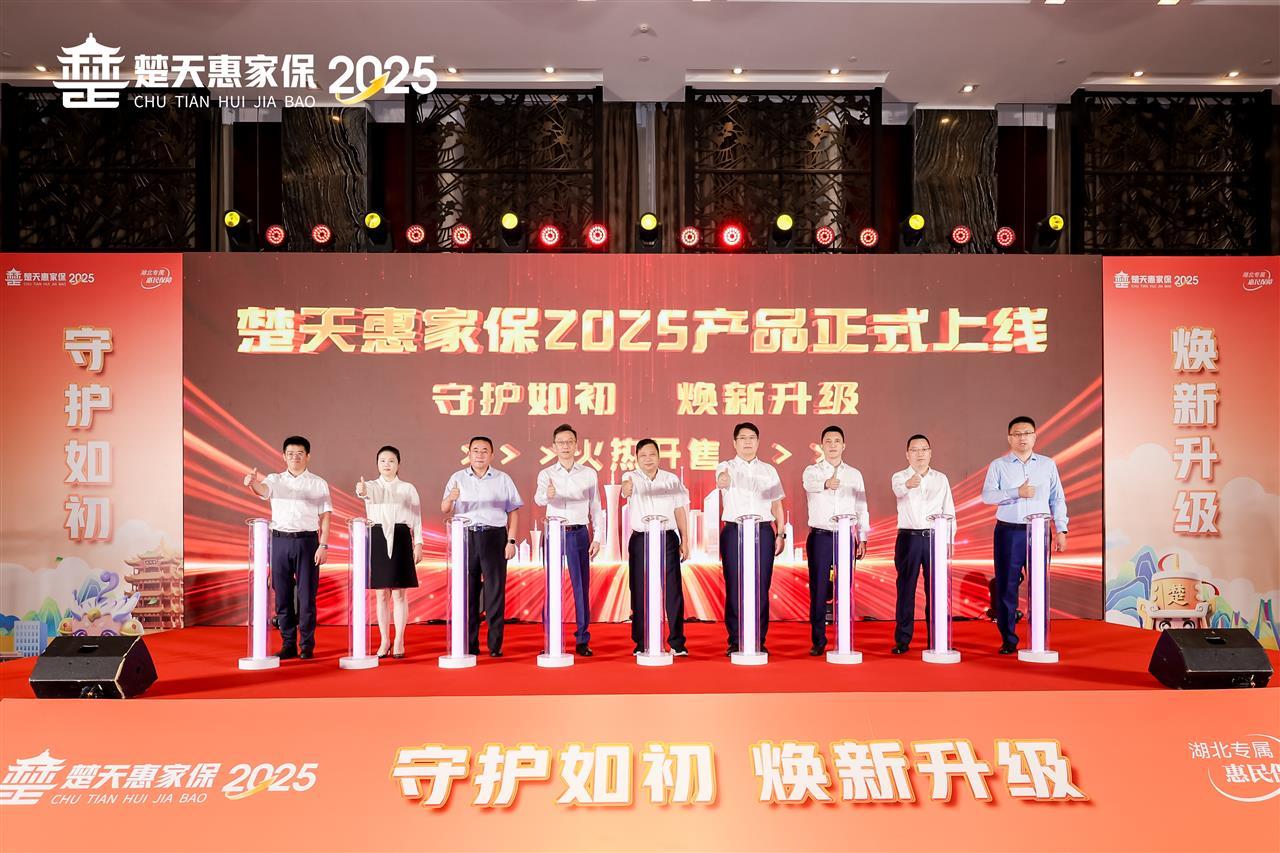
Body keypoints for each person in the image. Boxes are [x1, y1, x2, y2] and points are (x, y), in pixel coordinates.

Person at [980, 416, 1069, 654]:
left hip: (1039, 531)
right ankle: (1009, 639)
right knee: (1007, 586)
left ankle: (1038, 638)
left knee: (1039, 585)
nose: (1023, 438)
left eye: (1027, 433)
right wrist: (1016, 492)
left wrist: (1061, 529)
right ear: (1009, 438)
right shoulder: (998, 465)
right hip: (1009, 531)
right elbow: (987, 495)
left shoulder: (1047, 465)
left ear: (1035, 437)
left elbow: (1057, 498)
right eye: (1017, 434)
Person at [242, 435, 331, 660]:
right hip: (280, 541)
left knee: (306, 596)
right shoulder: (275, 479)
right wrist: (252, 483)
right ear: (283, 456)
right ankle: (288, 643)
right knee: (281, 595)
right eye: (290, 454)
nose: (295, 458)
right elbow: (263, 490)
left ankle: (307, 645)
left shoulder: (318, 483)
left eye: (299, 454)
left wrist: (323, 545)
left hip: (307, 542)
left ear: (308, 456)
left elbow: (325, 517)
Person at [442, 436, 522, 658]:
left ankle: (495, 645)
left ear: (492, 455)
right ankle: (470, 644)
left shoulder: (503, 479)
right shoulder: (457, 478)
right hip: (466, 536)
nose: (479, 455)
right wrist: (451, 498)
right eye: (475, 450)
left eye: (484, 451)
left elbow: (513, 511)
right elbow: (445, 508)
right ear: (468, 454)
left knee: (495, 591)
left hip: (494, 536)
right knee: (467, 592)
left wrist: (511, 541)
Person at [534, 424, 605, 657]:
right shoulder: (546, 474)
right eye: (561, 442)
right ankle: (551, 638)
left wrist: (598, 537)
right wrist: (547, 495)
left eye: (569, 442)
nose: (565, 446)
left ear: (576, 446)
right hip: (554, 532)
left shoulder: (588, 473)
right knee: (552, 586)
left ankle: (582, 639)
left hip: (578, 532)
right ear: (554, 447)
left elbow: (596, 506)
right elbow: (538, 499)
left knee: (580, 587)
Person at [716, 422, 786, 656]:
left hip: (762, 531)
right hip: (734, 531)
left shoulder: (769, 471)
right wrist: (724, 480)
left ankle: (758, 638)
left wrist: (781, 533)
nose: (747, 442)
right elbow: (722, 480)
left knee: (761, 586)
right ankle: (736, 640)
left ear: (758, 441)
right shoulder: (725, 466)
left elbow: (776, 504)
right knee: (735, 585)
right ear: (734, 442)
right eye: (742, 438)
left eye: (752, 437)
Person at [801, 425, 869, 656]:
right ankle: (818, 640)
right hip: (821, 536)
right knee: (819, 589)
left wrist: (862, 536)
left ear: (844, 445)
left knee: (844, 589)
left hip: (846, 536)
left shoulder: (854, 474)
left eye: (836, 441)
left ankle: (844, 637)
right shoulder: (812, 471)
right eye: (828, 441)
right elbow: (808, 485)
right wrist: (826, 484)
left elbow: (861, 507)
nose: (832, 445)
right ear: (822, 446)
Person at [622, 438, 691, 656]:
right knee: (638, 590)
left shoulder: (671, 480)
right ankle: (641, 642)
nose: (648, 459)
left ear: (659, 456)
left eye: (652, 454)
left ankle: (677, 643)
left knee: (673, 590)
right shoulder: (630, 477)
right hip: (641, 539)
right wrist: (626, 489)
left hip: (667, 538)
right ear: (636, 458)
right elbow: (625, 490)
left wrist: (685, 539)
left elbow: (679, 510)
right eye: (643, 455)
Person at [889, 434, 957, 654]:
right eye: (914, 450)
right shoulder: (900, 477)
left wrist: (949, 539)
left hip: (934, 537)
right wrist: (909, 484)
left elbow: (949, 509)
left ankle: (937, 639)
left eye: (924, 449)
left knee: (936, 590)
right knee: (905, 589)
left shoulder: (941, 479)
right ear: (907, 454)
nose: (920, 454)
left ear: (930, 453)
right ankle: (902, 640)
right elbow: (898, 490)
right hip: (908, 538)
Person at [356, 446, 423, 659]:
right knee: (381, 594)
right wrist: (361, 489)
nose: (387, 464)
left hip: (402, 536)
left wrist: (418, 543)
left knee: (399, 594)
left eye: (391, 460)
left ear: (398, 464)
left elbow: (417, 517)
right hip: (377, 537)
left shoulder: (408, 488)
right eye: (382, 460)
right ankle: (384, 639)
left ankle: (399, 639)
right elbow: (363, 492)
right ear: (377, 464)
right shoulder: (371, 486)